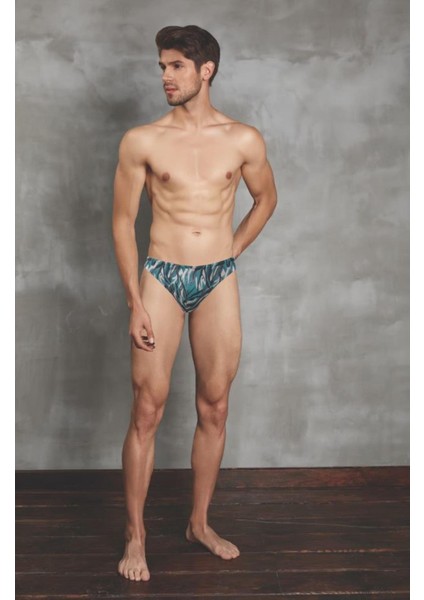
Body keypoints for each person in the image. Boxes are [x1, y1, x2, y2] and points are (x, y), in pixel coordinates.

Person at [112, 24, 277, 582]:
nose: (165, 76)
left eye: (176, 66)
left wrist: (231, 249)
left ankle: (199, 523)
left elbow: (266, 198)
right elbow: (121, 222)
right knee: (147, 409)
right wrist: (135, 302)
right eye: (162, 66)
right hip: (160, 276)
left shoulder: (243, 139)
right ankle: (135, 536)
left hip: (217, 280)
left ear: (206, 71)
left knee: (215, 406)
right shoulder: (142, 140)